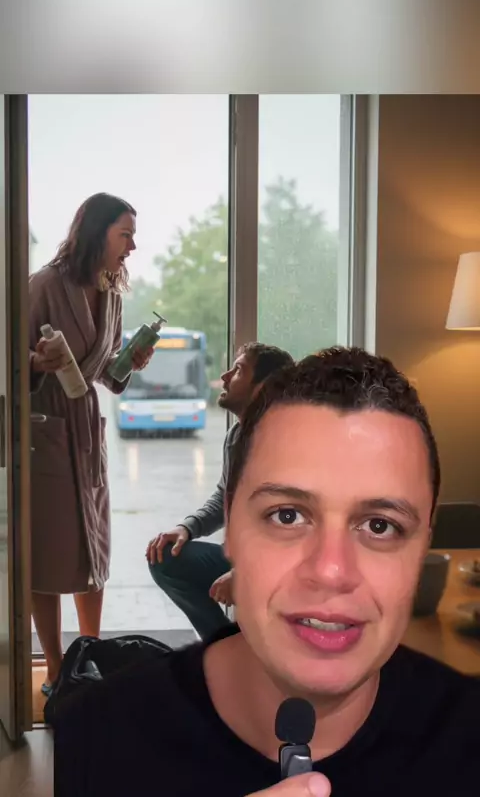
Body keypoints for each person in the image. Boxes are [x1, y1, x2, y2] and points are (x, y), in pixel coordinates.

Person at [54, 346, 480, 796]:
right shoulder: (100, 737)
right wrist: (190, 530)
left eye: (379, 525)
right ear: (234, 524)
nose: (331, 571)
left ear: (424, 544)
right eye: (287, 516)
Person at [29, 192, 154, 696]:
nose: (132, 246)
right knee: (47, 552)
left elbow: (104, 372)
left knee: (93, 548)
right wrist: (34, 363)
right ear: (96, 233)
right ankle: (55, 668)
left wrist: (129, 363)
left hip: (86, 432)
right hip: (47, 428)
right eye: (125, 234)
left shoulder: (113, 294)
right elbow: (10, 358)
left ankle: (90, 655)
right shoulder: (43, 285)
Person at [146, 342, 295, 638]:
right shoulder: (236, 436)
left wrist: (244, 575)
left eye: (238, 370)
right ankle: (224, 645)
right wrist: (186, 528)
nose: (225, 377)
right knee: (164, 557)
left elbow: (292, 526)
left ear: (264, 386)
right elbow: (224, 497)